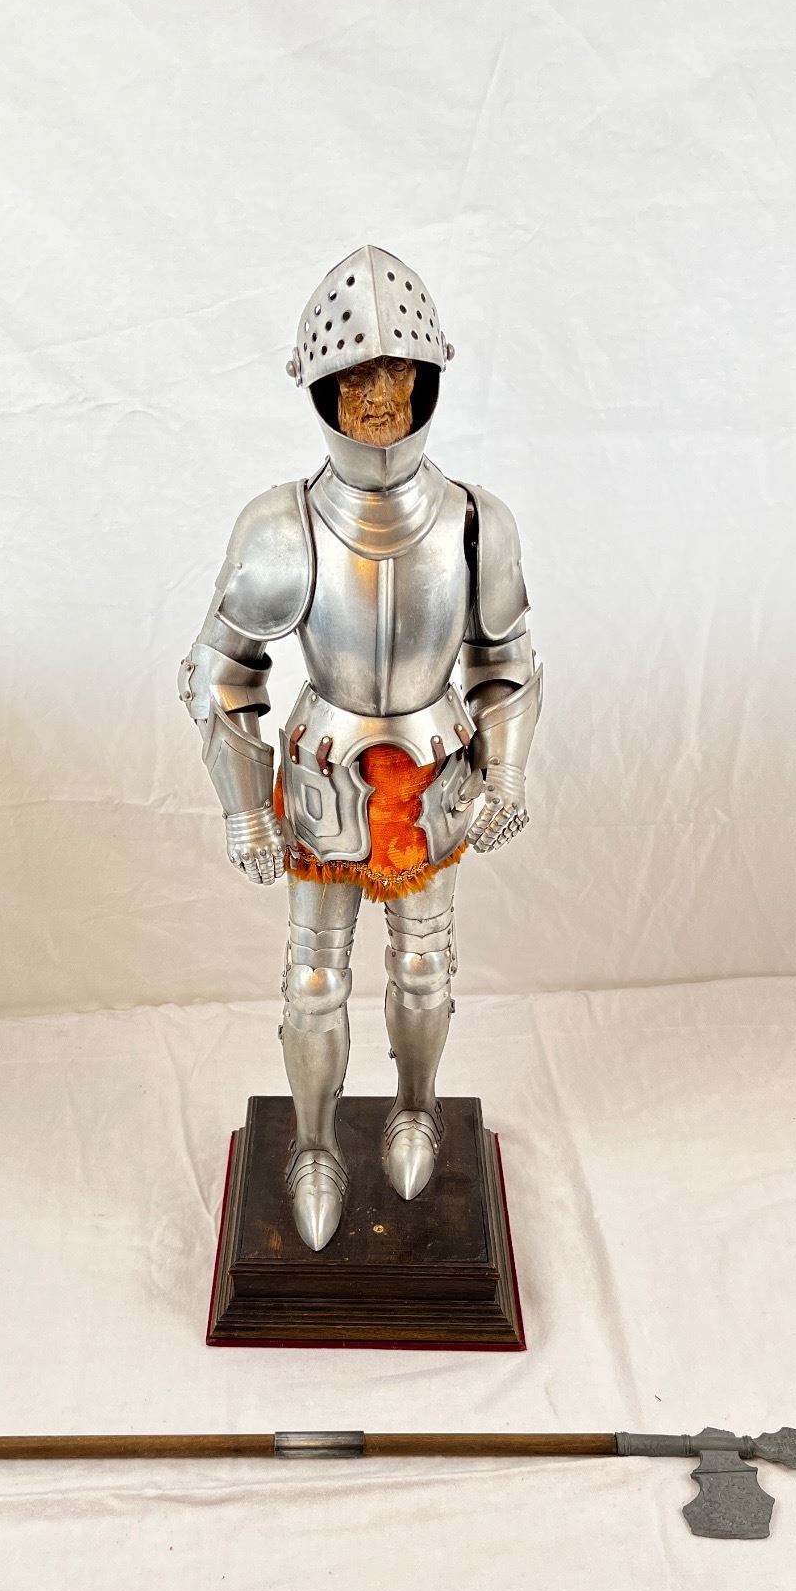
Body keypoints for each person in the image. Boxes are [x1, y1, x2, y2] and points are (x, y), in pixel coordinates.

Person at [179, 245, 541, 1250]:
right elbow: (220, 670)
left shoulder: (474, 523)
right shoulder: (284, 524)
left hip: (431, 774)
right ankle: (312, 1146)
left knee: (424, 970)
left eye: (396, 375)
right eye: (357, 378)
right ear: (322, 388)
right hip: (323, 778)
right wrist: (245, 807)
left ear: (427, 379)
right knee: (313, 977)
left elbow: (507, 660)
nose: (378, 398)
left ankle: (418, 1110)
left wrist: (507, 767)